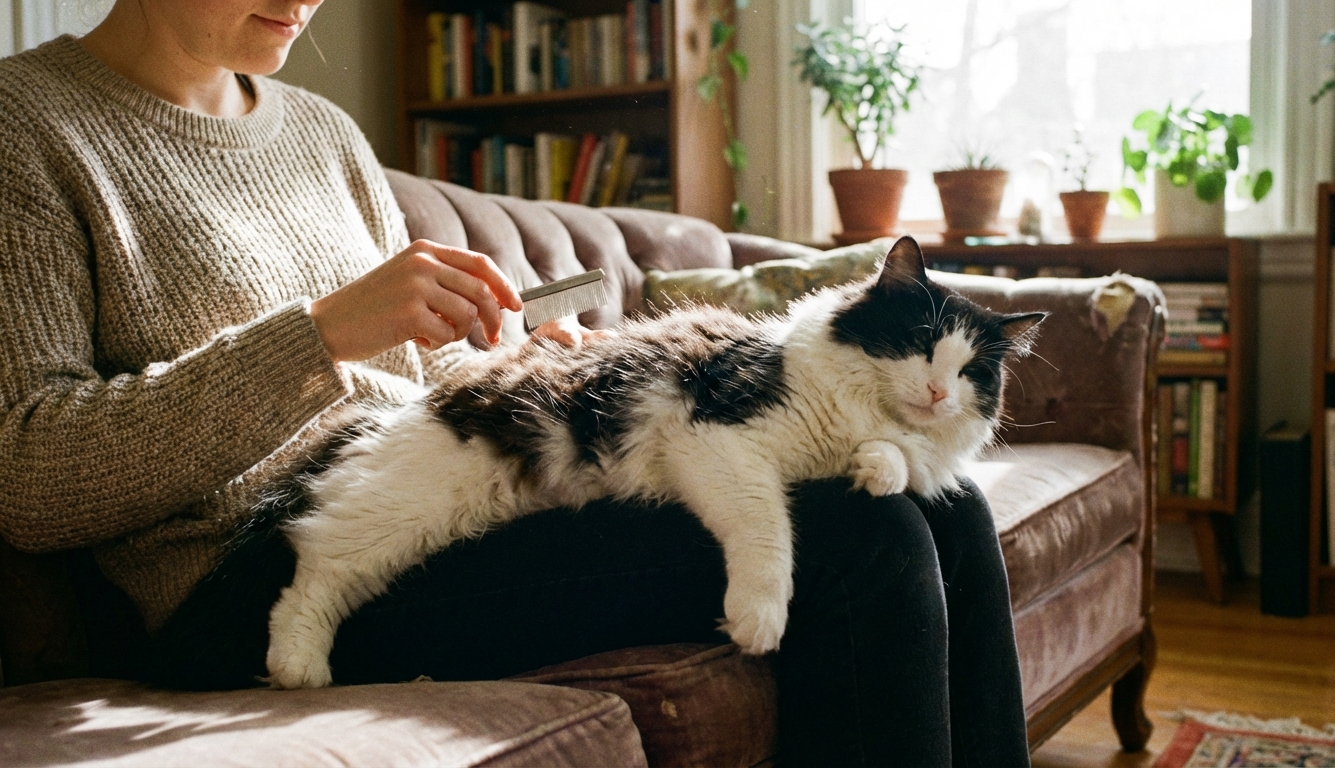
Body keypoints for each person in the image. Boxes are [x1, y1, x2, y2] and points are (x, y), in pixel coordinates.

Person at [0, 1, 1030, 765]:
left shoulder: (319, 132)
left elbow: (422, 374)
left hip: (446, 489)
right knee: (863, 538)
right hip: (265, 567)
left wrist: (531, 360)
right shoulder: (27, 128)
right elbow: (32, 476)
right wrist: (317, 339)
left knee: (946, 508)